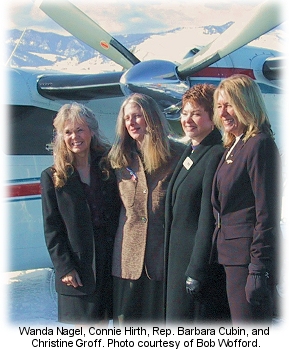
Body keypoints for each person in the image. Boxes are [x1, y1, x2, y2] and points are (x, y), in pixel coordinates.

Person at [108, 93, 186, 323]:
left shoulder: (178, 156)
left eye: (137, 116)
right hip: (127, 262)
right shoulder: (118, 159)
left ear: (151, 118)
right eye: (127, 118)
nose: (131, 122)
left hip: (161, 261)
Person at [40, 102, 120, 324]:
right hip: (76, 270)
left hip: (108, 264)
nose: (74, 136)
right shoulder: (53, 176)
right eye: (68, 132)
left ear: (92, 131)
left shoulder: (109, 167)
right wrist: (65, 267)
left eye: (80, 129)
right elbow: (52, 228)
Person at [211, 74, 282, 323]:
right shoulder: (235, 145)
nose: (223, 113)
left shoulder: (259, 145)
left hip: (247, 260)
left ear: (246, 104)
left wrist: (258, 267)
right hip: (230, 257)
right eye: (219, 106)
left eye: (229, 104)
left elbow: (266, 212)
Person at [164, 84, 230, 323]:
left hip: (196, 265)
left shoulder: (214, 154)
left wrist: (196, 270)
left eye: (196, 113)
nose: (187, 119)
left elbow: (208, 218)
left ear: (213, 118)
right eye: (184, 113)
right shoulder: (192, 151)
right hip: (178, 261)